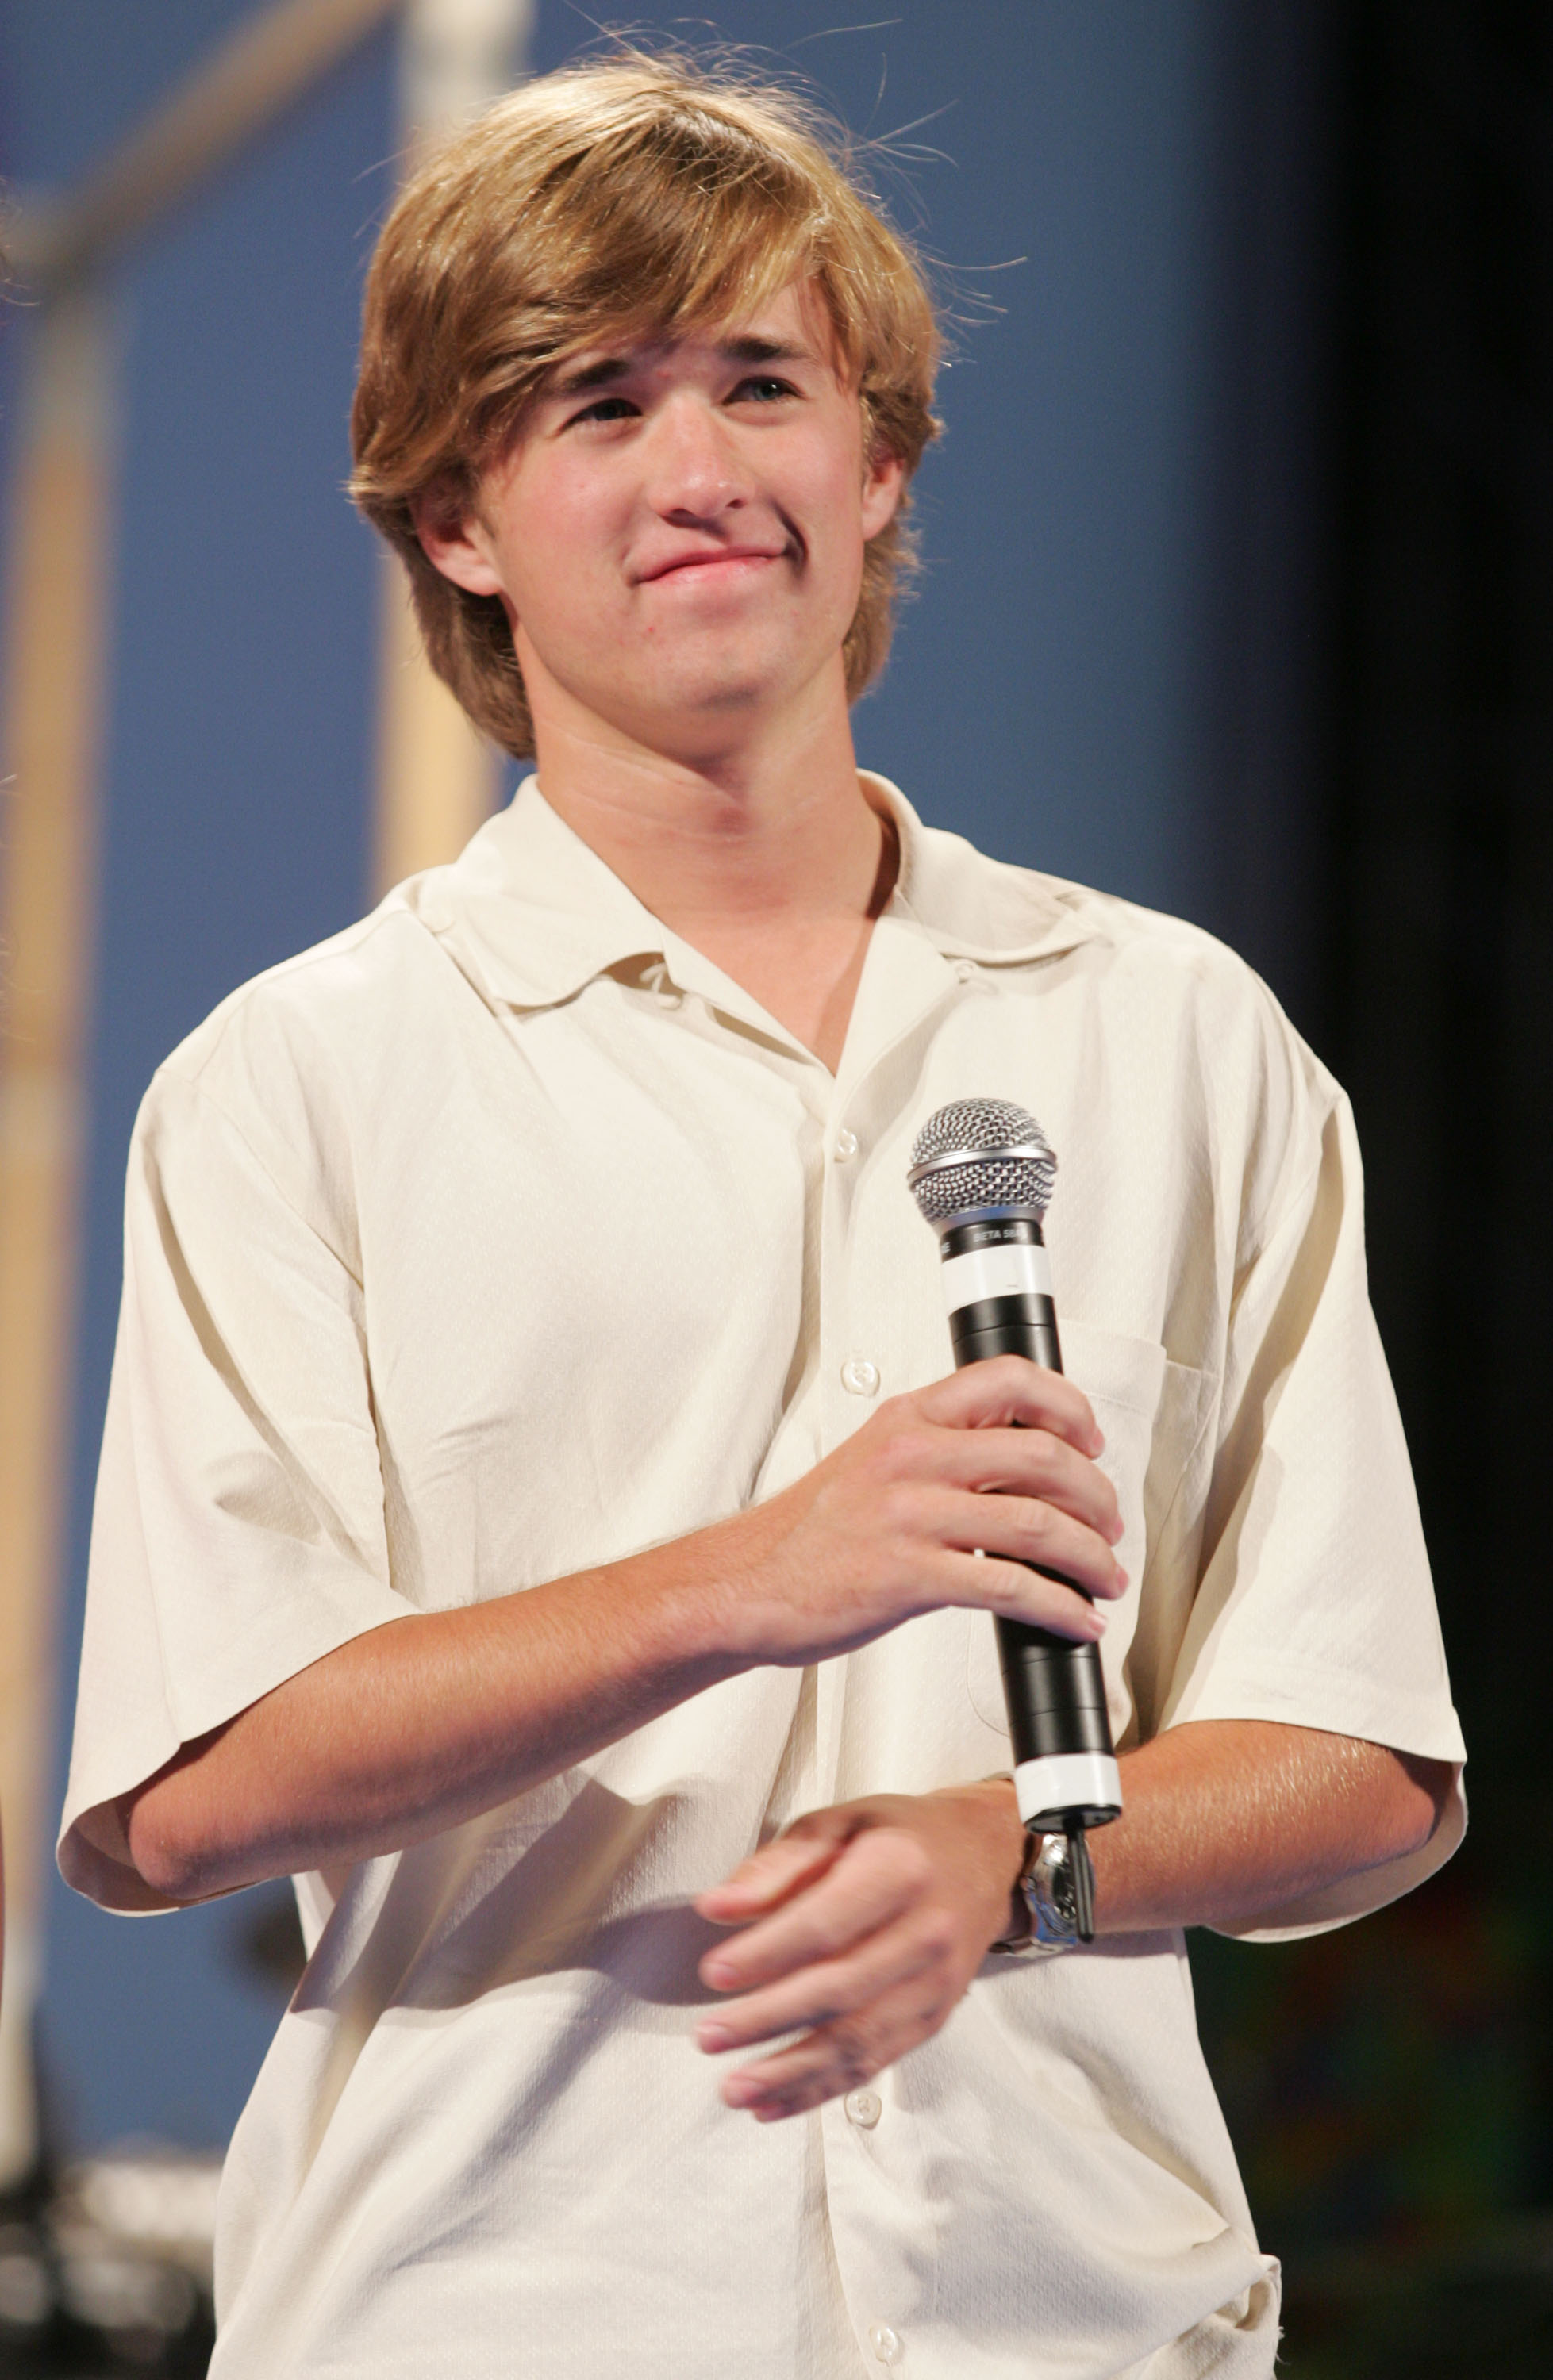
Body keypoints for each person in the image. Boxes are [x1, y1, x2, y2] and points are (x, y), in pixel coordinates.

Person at [60, 52, 1465, 2380]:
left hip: (1075, 2327)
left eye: (762, 382)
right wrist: (751, 1579)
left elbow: (1367, 1771)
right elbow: (186, 1797)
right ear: (456, 524)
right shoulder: (304, 1083)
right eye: (596, 404)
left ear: (882, 458)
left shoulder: (1179, 1039)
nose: (701, 471)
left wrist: (1026, 1861)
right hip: (495, 2320)